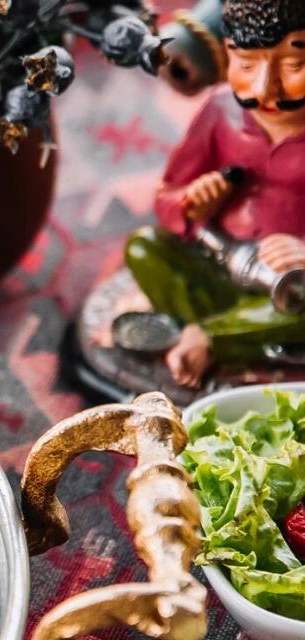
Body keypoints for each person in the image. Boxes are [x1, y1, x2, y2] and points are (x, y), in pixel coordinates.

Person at [125, 0, 305, 385]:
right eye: (247, 65)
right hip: (222, 258)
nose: (264, 89)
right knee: (143, 248)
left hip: (293, 285)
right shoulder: (221, 112)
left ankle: (209, 336)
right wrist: (192, 202)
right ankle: (246, 332)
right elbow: (168, 197)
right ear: (228, 55)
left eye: (293, 66)